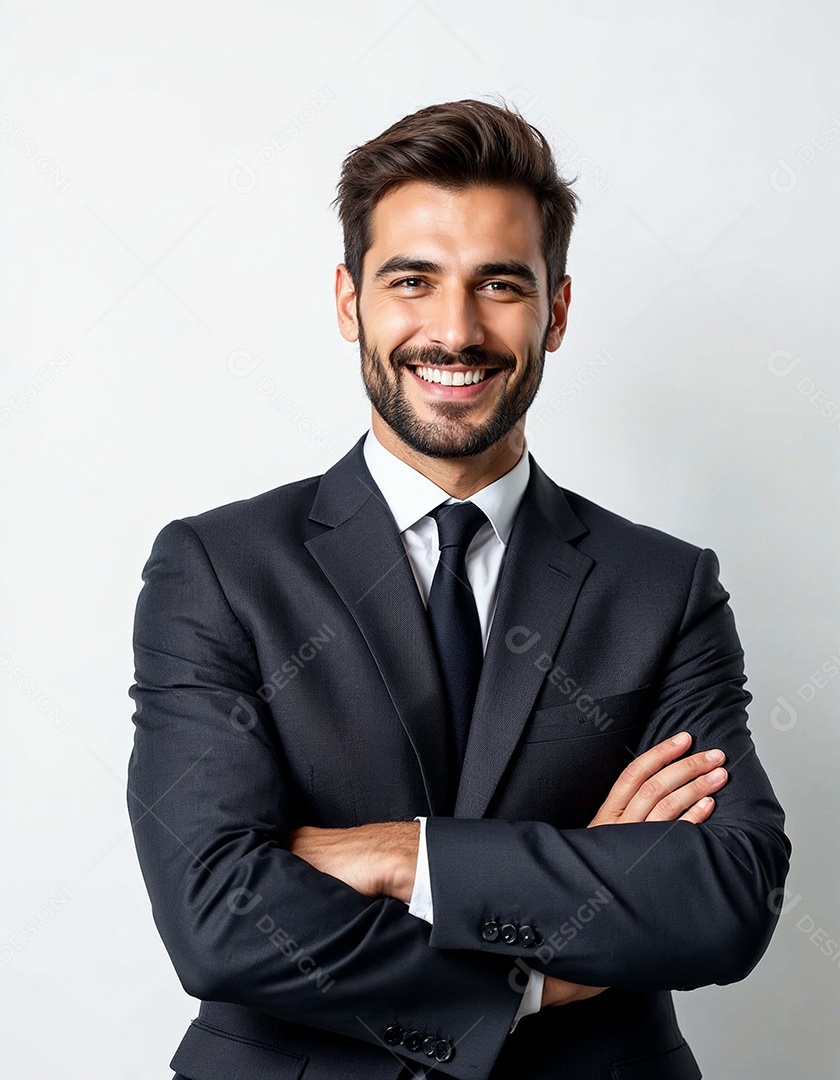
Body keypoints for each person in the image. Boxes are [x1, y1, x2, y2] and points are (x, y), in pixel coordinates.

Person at [127, 97, 791, 1080]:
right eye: (413, 281)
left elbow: (728, 894)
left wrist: (410, 856)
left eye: (500, 285)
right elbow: (218, 914)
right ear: (349, 302)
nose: (455, 329)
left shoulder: (665, 586)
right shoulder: (219, 570)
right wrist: (531, 978)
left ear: (555, 312)